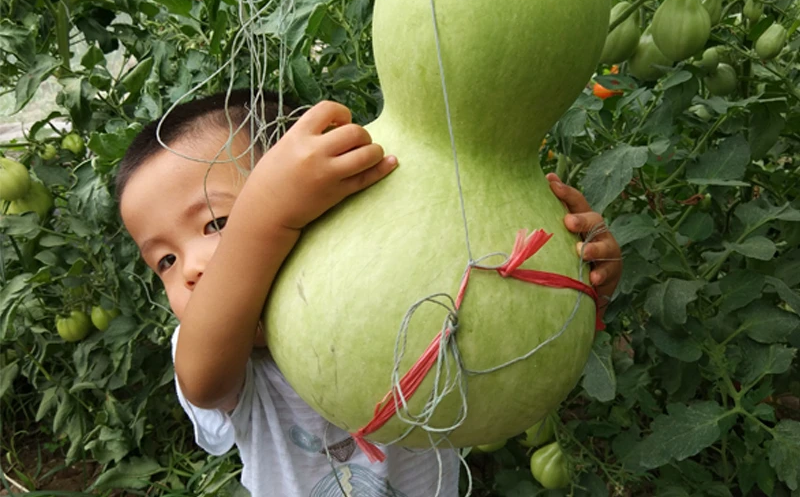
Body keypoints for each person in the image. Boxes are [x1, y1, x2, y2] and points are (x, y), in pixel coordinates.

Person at [116, 89, 622, 497]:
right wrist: (264, 215)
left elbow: (509, 330)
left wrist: (578, 276)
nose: (191, 271)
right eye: (165, 260)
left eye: (218, 223)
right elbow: (201, 378)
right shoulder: (228, 365)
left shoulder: (402, 284)